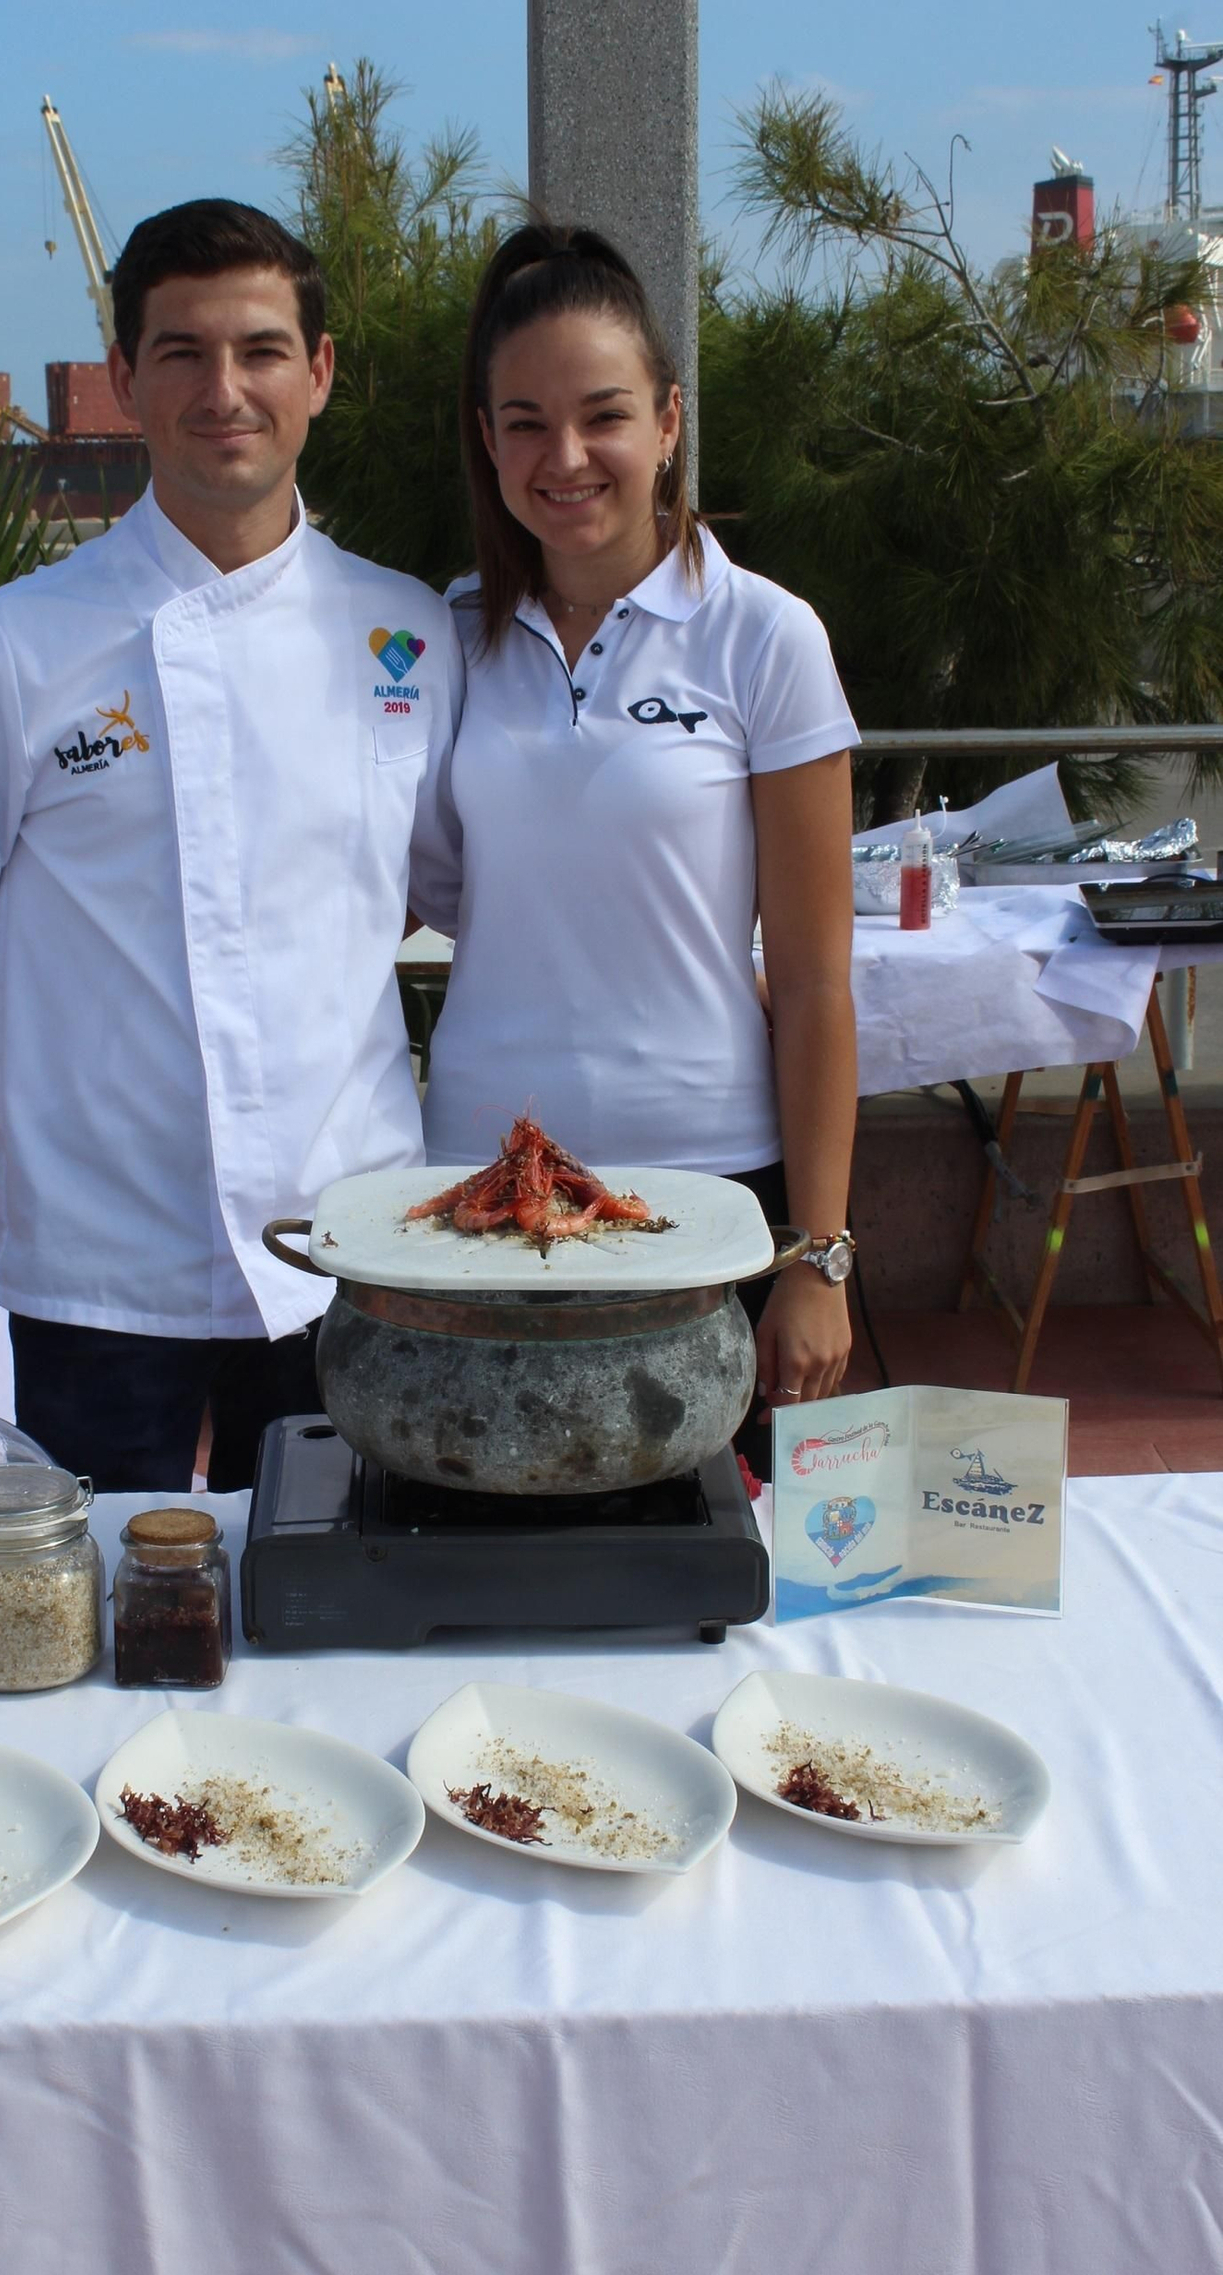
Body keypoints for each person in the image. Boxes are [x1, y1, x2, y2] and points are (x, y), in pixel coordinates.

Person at [0, 200, 461, 1492]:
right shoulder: (15, 643)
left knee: (329, 1620)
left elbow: (440, 887)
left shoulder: (406, 635)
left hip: (343, 1246)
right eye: (180, 352)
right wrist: (32, 1101)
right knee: (99, 1639)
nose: (222, 390)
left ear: (321, 374)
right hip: (102, 1270)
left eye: (261, 350)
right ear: (124, 380)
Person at [409, 224, 858, 1460]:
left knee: (701, 1574)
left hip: (707, 1189)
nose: (565, 458)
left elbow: (818, 982)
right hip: (476, 1183)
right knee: (486, 1524)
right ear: (486, 439)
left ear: (667, 421)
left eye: (602, 416)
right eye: (523, 423)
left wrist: (817, 1254)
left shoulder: (764, 636)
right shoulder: (442, 639)